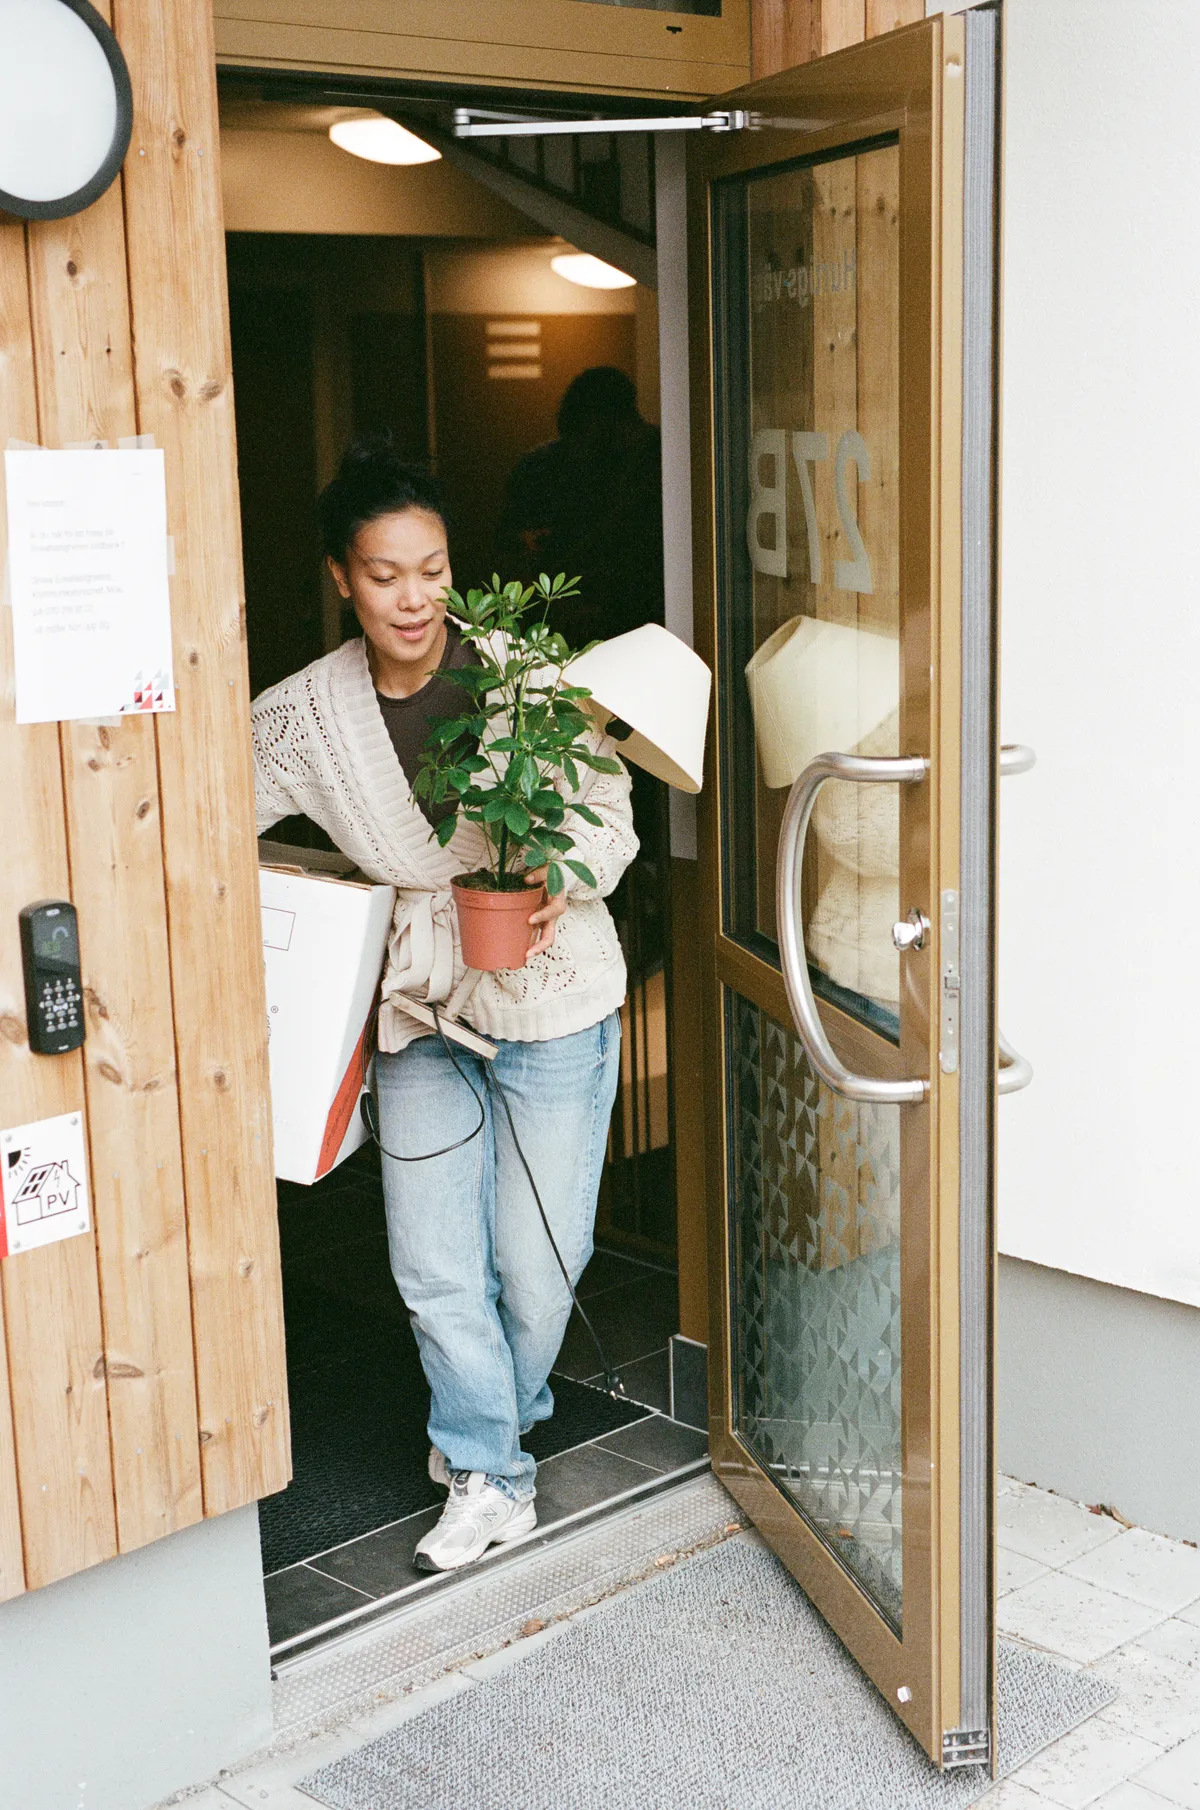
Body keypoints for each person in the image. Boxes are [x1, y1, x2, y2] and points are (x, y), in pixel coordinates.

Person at [251, 437, 637, 1572]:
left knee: (538, 1260)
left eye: (432, 568)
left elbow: (610, 816)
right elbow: (193, 810)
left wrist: (565, 874)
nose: (414, 597)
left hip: (554, 1001)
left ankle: (489, 1411)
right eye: (384, 574)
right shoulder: (306, 714)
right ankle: (485, 1466)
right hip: (417, 1006)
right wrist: (312, 903)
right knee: (431, 1263)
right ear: (341, 577)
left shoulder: (523, 676)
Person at [497, 365, 663, 646]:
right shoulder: (541, 472)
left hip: (641, 620)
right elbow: (512, 555)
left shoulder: (661, 460)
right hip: (565, 624)